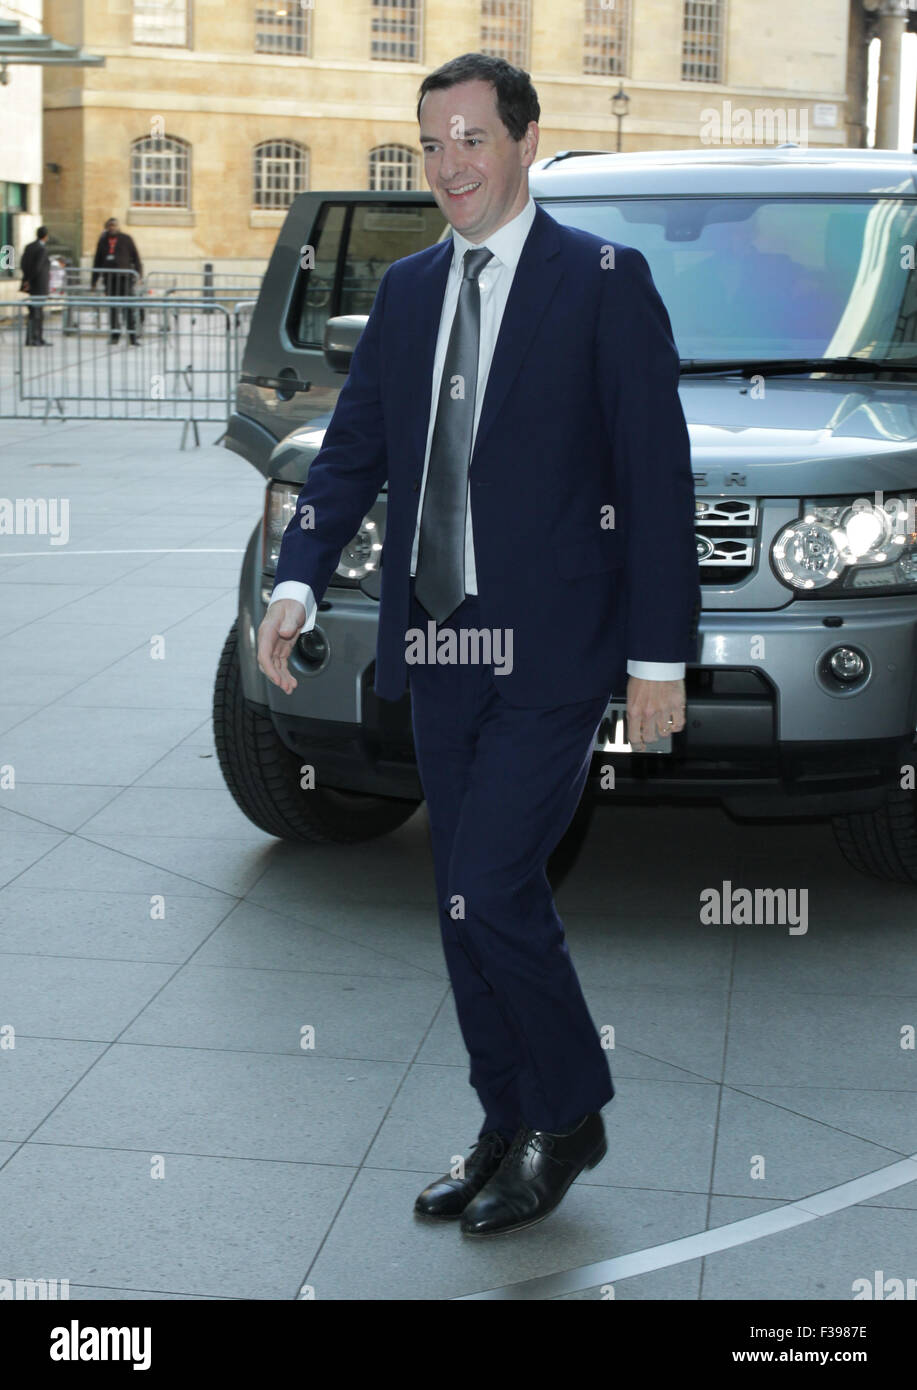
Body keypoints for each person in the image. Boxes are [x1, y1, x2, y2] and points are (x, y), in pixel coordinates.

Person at [258, 53, 701, 1239]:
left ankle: (570, 1113)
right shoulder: (407, 292)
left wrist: (659, 660)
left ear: (523, 142)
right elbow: (350, 451)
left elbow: (654, 482)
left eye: (471, 138)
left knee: (493, 886)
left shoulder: (604, 282)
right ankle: (504, 1116)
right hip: (437, 645)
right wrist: (296, 576)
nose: (450, 164)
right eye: (430, 144)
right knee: (462, 901)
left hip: (554, 653)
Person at [90, 217, 143, 344]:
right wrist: (94, 280)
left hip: (124, 278)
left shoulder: (126, 239)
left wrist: (139, 275)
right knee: (113, 308)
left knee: (128, 307)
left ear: (118, 227)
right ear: (107, 227)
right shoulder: (103, 241)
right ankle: (115, 335)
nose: (112, 228)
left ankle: (132, 336)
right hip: (110, 279)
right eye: (110, 226)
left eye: (114, 225)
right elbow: (97, 261)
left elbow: (136, 258)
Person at [19, 225, 51, 346]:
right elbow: (38, 267)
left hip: (31, 284)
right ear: (46, 236)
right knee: (37, 313)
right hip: (38, 285)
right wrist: (30, 280)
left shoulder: (29, 246)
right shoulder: (42, 249)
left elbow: (23, 263)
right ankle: (35, 338)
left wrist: (26, 279)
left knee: (33, 312)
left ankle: (32, 337)